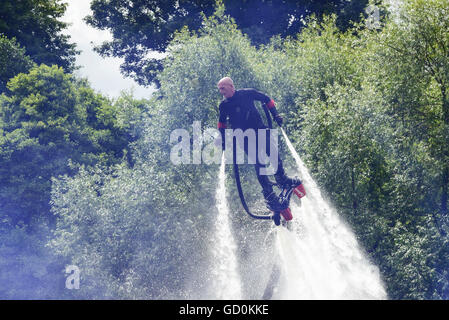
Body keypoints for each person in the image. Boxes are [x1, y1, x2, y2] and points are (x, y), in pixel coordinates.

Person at [217, 77, 302, 212]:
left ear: (231, 86)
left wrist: (275, 115)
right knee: (259, 163)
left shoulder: (247, 93)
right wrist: (222, 139)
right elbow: (222, 123)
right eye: (219, 89)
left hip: (260, 130)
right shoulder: (224, 105)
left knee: (273, 153)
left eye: (223, 88)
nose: (221, 92)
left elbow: (266, 98)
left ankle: (282, 178)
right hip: (244, 138)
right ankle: (269, 194)